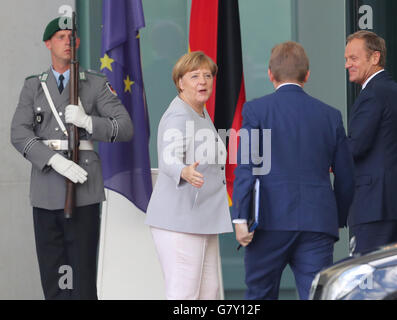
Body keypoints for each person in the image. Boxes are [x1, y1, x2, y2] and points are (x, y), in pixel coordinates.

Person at [10, 17, 133, 300]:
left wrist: (89, 122)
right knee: (53, 274)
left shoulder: (95, 84)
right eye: (60, 36)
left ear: (77, 44)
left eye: (71, 37)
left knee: (83, 274)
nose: (67, 41)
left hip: (83, 188)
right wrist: (54, 160)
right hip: (46, 187)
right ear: (48, 43)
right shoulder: (34, 86)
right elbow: (18, 133)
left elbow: (125, 127)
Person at [232, 41, 355, 300]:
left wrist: (241, 217)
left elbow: (247, 166)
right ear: (307, 75)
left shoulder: (256, 110)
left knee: (259, 297)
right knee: (317, 295)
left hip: (268, 221)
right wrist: (337, 217)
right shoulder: (330, 115)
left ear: (270, 74)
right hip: (317, 221)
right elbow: (346, 175)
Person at [145, 51, 233, 300]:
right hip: (180, 220)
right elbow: (168, 156)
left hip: (201, 217)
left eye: (207, 75)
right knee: (184, 294)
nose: (203, 81)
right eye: (194, 76)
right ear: (180, 83)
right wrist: (183, 170)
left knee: (209, 292)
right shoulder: (179, 115)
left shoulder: (200, 113)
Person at [344, 30, 397, 255]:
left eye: (353, 58)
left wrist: (327, 158)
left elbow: (356, 146)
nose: (347, 65)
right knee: (394, 279)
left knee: (367, 278)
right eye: (346, 59)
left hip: (375, 206)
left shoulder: (372, 94)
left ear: (375, 58)